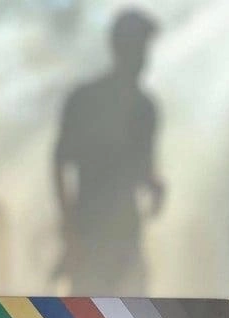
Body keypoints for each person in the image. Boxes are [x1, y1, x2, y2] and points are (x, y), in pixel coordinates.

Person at [53, 9, 164, 294]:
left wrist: (154, 185)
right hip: (90, 233)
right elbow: (60, 164)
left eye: (143, 48)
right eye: (136, 47)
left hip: (122, 235)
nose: (142, 57)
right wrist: (70, 229)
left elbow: (141, 168)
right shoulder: (87, 101)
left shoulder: (144, 108)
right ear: (120, 48)